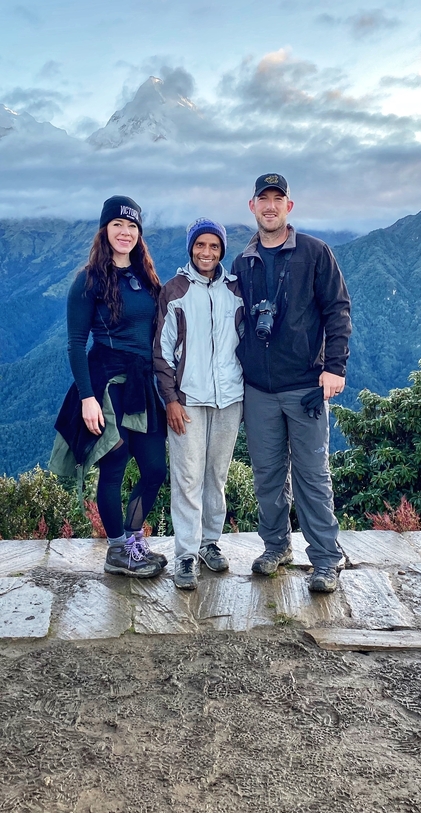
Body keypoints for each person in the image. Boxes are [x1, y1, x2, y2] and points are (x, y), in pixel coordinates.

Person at [231, 174, 352, 593]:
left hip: (305, 387)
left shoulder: (315, 253)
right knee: (266, 474)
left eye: (277, 199)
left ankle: (324, 559)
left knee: (312, 475)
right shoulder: (242, 261)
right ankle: (276, 546)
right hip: (258, 388)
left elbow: (338, 310)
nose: (270, 206)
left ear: (289, 206)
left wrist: (334, 366)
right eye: (262, 199)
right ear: (252, 207)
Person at [50, 195, 167, 578]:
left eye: (132, 226)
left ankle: (133, 541)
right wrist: (86, 397)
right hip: (107, 385)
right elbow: (74, 344)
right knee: (114, 465)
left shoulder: (146, 276)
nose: (125, 232)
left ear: (139, 234)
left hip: (142, 384)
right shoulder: (88, 280)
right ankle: (117, 550)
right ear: (105, 230)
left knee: (153, 470)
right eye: (118, 224)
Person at [154, 218, 244, 590]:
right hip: (187, 401)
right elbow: (161, 353)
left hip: (230, 398)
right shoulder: (174, 291)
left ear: (222, 250)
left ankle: (210, 543)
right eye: (200, 245)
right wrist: (171, 399)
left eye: (214, 246)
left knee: (216, 476)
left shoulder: (236, 289)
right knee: (187, 478)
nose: (206, 252)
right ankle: (186, 555)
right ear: (190, 247)